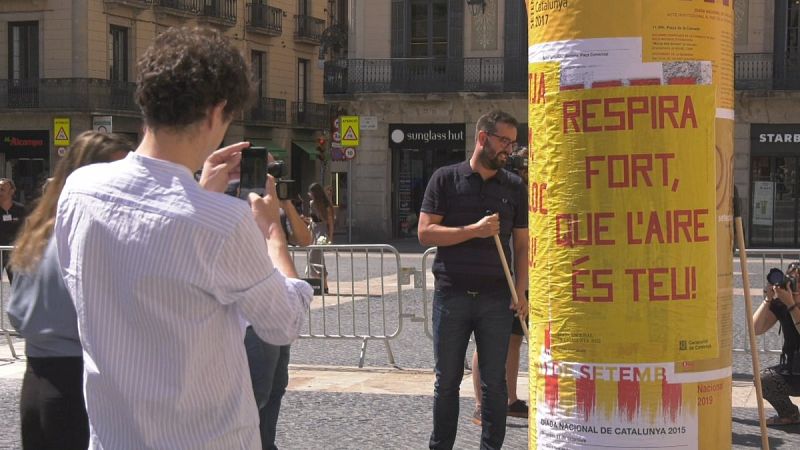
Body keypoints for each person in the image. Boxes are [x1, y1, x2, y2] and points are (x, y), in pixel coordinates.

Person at [54, 26, 313, 449]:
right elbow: (284, 322)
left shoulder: (80, 189)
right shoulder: (223, 223)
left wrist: (198, 191)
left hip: (115, 437)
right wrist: (272, 235)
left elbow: (145, 266)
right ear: (216, 112)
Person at [6, 131, 131, 450]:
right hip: (76, 382)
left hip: (40, 378)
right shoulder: (83, 232)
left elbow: (19, 310)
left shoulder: (42, 228)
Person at [418, 110, 528, 450]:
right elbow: (425, 232)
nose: (509, 149)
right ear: (483, 138)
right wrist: (474, 231)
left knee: (495, 384)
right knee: (447, 382)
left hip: (496, 298)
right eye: (504, 141)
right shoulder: (445, 179)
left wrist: (521, 289)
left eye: (513, 143)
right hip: (452, 295)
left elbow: (523, 245)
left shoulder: (514, 186)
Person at [245, 152, 312, 450]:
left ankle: (266, 442)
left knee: (276, 386)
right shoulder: (238, 208)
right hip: (255, 313)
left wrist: (284, 204)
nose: (272, 175)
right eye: (266, 169)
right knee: (259, 391)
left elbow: (305, 239)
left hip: (280, 303)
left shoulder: (274, 207)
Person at [471, 145, 530, 425]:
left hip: (524, 279)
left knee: (515, 339)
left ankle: (511, 399)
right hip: (500, 277)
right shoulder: (504, 190)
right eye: (525, 168)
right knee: (487, 341)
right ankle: (481, 404)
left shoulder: (527, 192)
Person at [754, 262, 800, 426]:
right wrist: (768, 299)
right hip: (794, 368)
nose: (795, 285)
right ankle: (789, 414)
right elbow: (756, 329)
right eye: (792, 280)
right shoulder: (782, 304)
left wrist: (792, 305)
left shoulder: (788, 304)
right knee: (764, 380)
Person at [306, 182, 335, 290]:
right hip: (314, 231)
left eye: (311, 192)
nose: (309, 194)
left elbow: (330, 223)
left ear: (316, 193)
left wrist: (330, 238)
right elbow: (312, 220)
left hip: (322, 232)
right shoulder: (311, 203)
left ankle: (317, 280)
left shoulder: (326, 206)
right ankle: (325, 286)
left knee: (312, 256)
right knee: (319, 259)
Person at [0, 178, 27, 284]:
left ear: (12, 191)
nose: (0, 192)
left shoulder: (20, 209)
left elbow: (26, 229)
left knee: (17, 285)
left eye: (2, 189)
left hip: (15, 254)